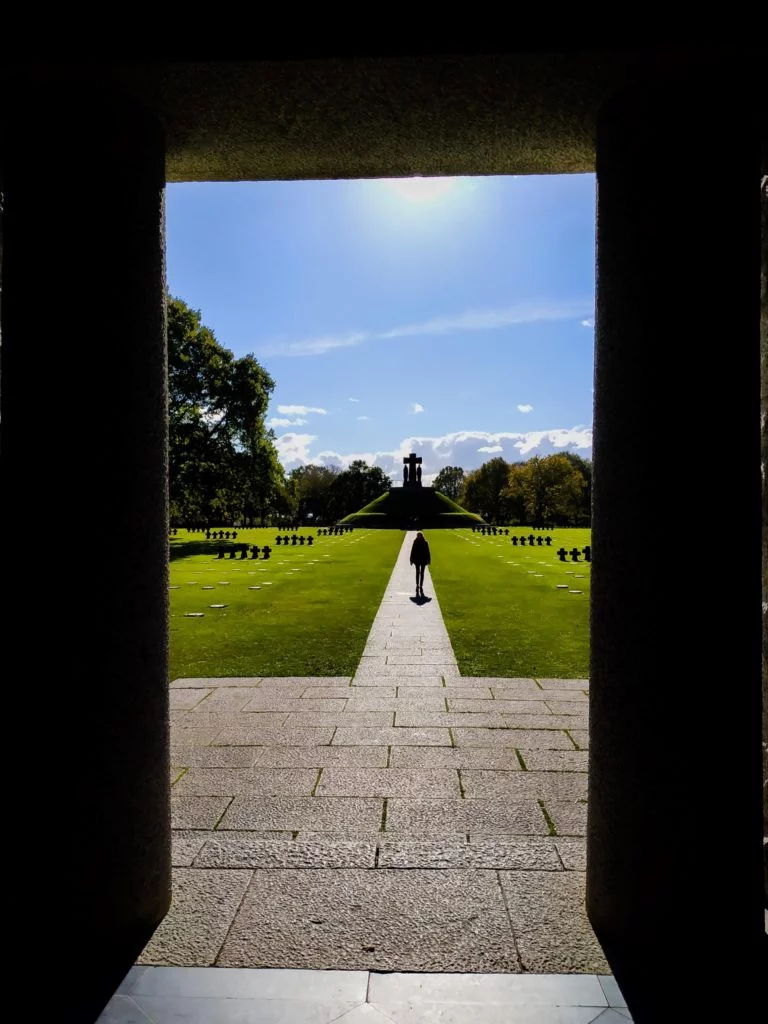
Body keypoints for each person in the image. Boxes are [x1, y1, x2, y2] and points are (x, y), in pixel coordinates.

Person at [409, 531, 431, 597]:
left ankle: (421, 585)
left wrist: (429, 560)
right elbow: (412, 551)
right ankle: (417, 585)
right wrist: (411, 559)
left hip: (423, 560)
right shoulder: (415, 542)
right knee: (417, 572)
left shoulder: (425, 542)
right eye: (417, 535)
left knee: (422, 573)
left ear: (421, 536)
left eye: (419, 535)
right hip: (417, 560)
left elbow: (428, 551)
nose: (418, 537)